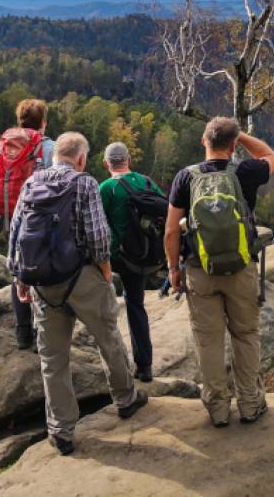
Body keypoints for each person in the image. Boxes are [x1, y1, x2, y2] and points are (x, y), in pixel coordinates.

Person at [11, 132, 147, 456]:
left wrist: (20, 280)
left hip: (44, 283)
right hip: (81, 277)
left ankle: (61, 431)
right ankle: (126, 399)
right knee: (108, 338)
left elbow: (17, 231)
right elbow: (99, 236)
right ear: (82, 158)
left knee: (53, 358)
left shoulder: (31, 183)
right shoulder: (84, 183)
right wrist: (104, 272)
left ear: (54, 155)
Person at [165, 117, 274, 428]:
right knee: (245, 334)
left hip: (200, 269)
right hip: (241, 269)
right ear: (232, 145)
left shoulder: (185, 178)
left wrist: (174, 269)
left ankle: (217, 408)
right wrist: (241, 137)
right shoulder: (245, 172)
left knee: (208, 340)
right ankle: (250, 404)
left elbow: (172, 231)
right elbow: (270, 155)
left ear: (204, 140)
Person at [0, 99, 55, 349]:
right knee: (46, 273)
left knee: (19, 272)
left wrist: (0, 201)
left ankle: (22, 333)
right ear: (43, 122)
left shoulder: (6, 147)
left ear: (20, 120)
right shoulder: (48, 146)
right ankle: (46, 331)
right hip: (41, 219)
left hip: (11, 220)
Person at [99, 141, 164, 382]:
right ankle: (144, 367)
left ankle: (112, 370)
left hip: (117, 258)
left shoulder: (106, 188)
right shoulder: (147, 182)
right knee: (136, 305)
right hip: (145, 256)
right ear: (129, 160)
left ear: (107, 163)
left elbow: (96, 225)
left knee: (102, 311)